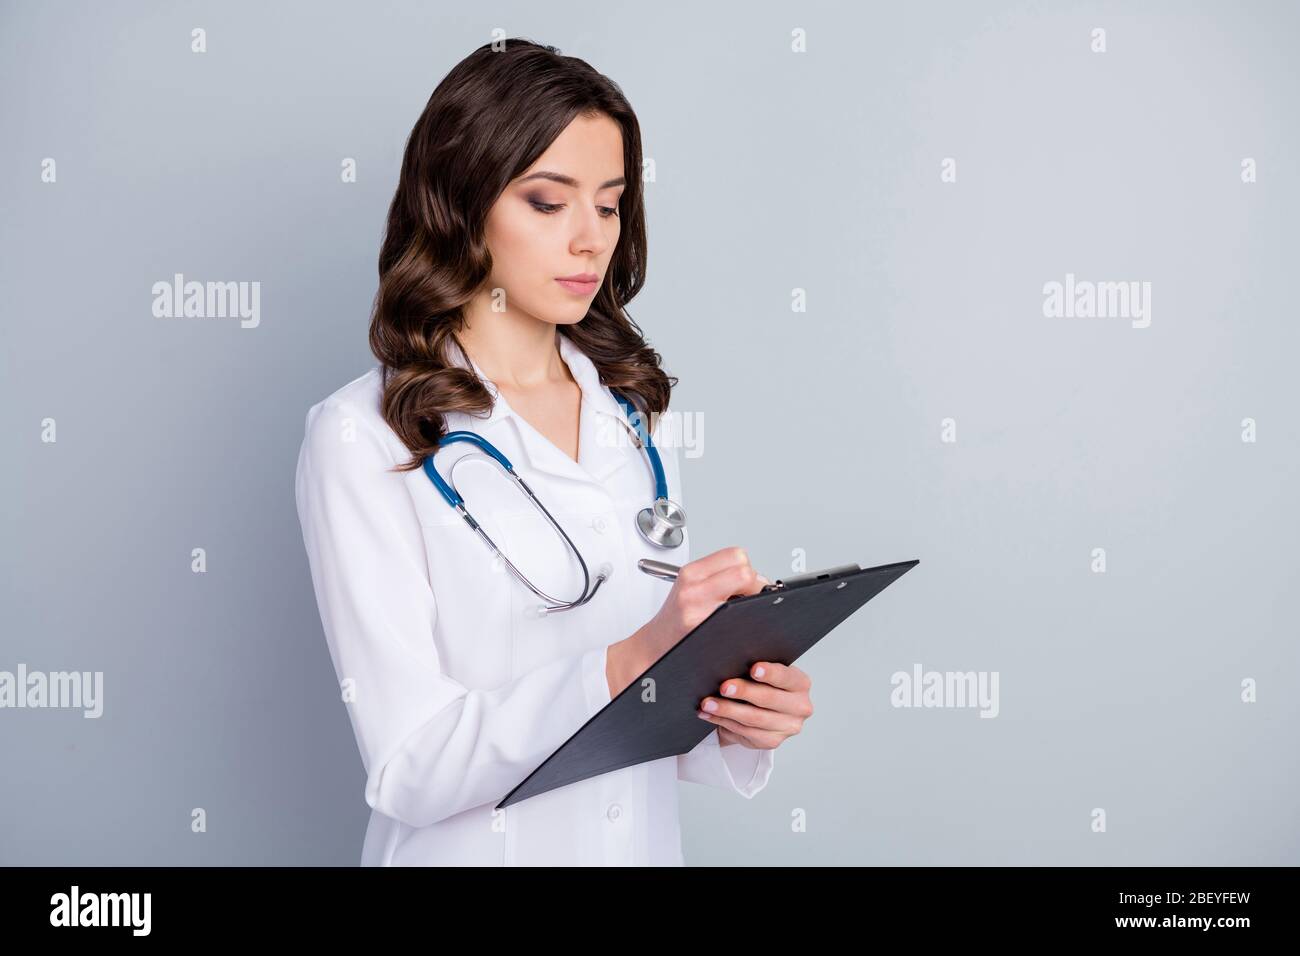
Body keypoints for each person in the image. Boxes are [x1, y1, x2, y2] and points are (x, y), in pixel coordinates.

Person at [293, 38, 814, 866]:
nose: (590, 240)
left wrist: (736, 716)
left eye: (608, 206)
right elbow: (407, 765)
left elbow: (650, 713)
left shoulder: (634, 414)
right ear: (460, 203)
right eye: (547, 202)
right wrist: (623, 664)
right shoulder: (362, 435)